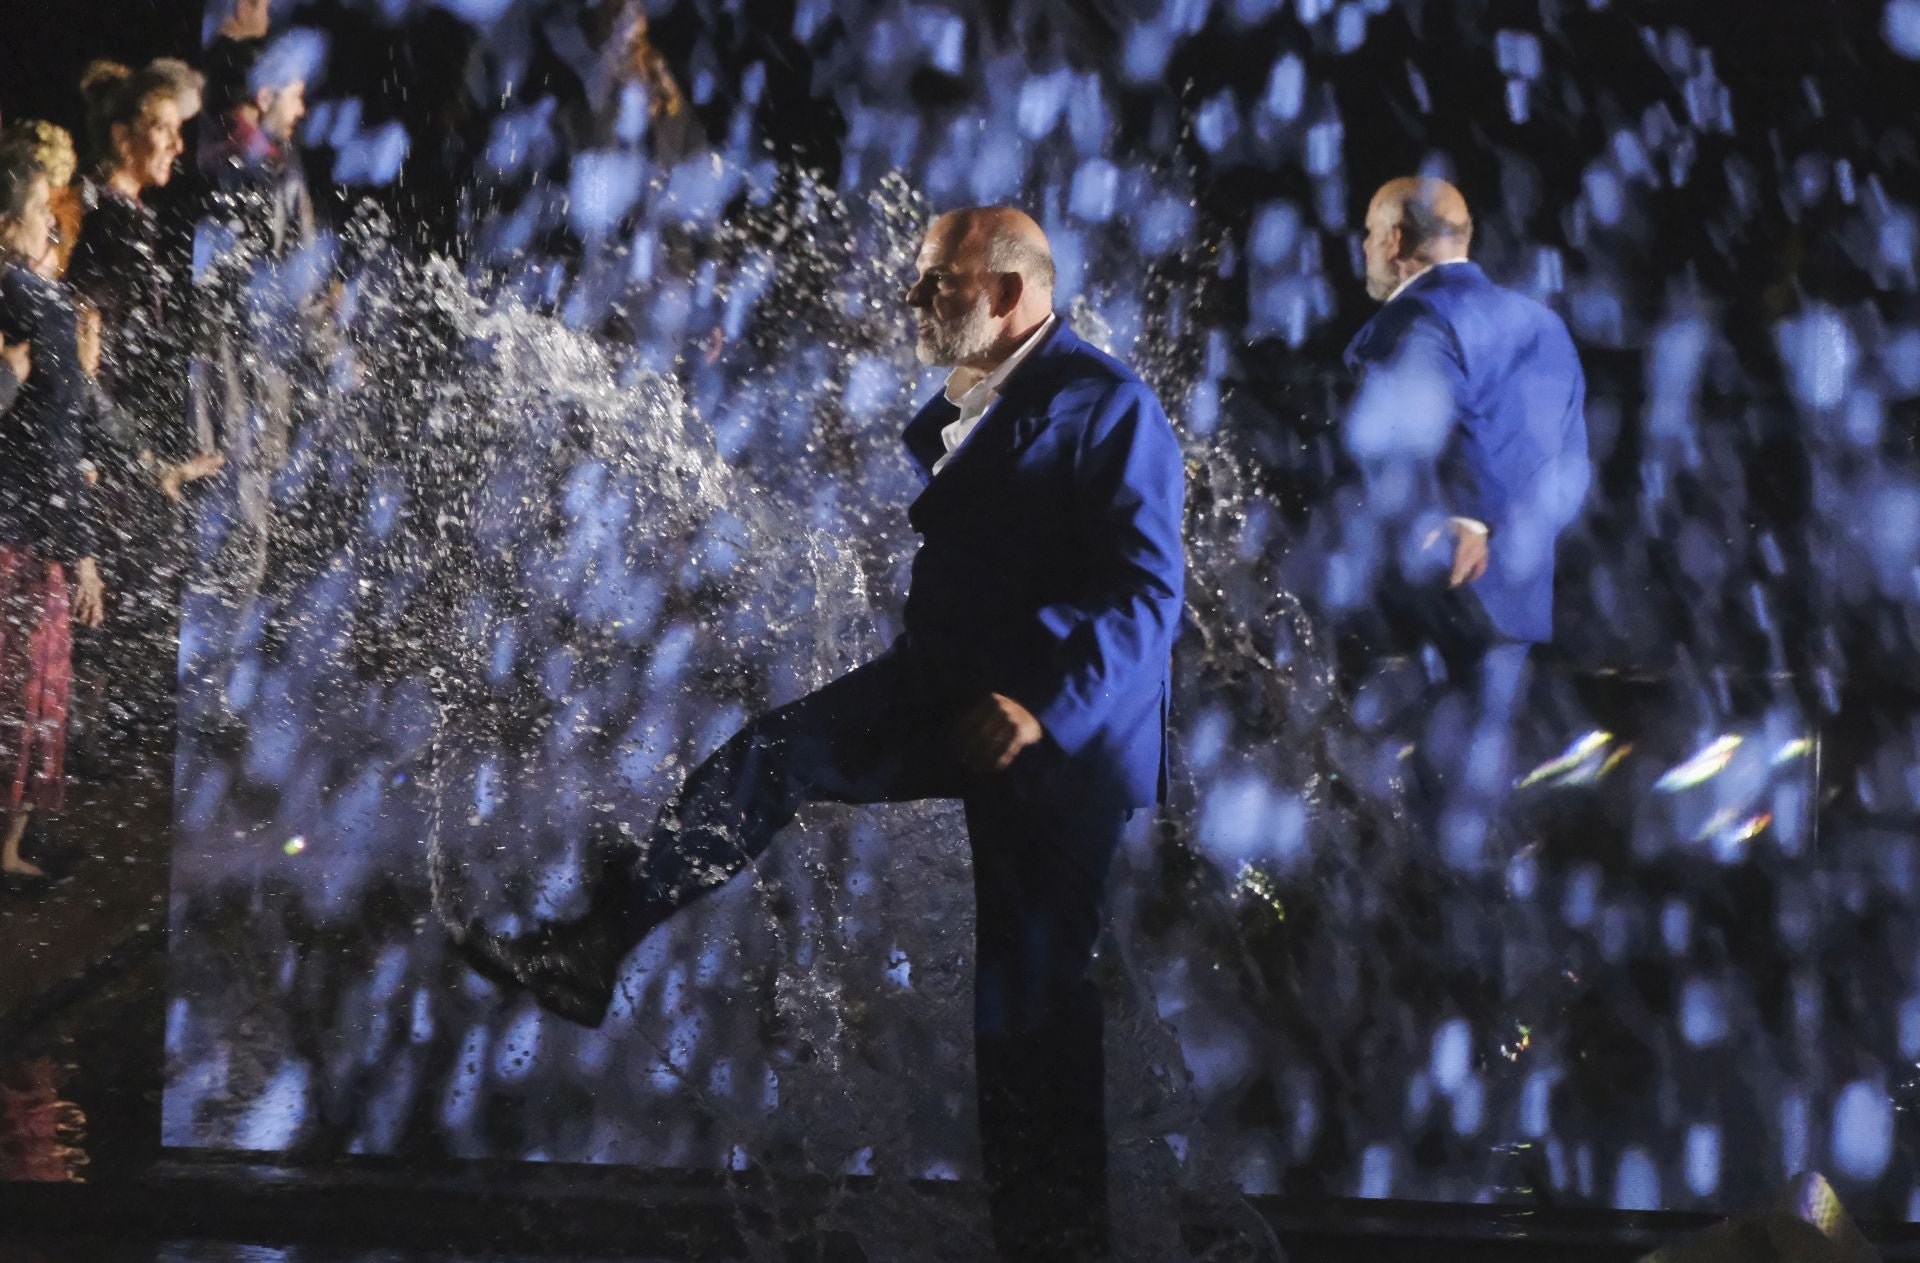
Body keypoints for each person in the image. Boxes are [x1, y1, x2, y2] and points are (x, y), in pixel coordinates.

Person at [460, 206, 1186, 1261]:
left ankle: (1059, 1243)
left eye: (939, 283)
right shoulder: (1003, 388)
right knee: (773, 755)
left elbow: (1145, 596)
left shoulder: (1105, 402)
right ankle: (596, 946)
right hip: (945, 690)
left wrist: (1044, 708)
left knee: (1029, 1011)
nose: (914, 301)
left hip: (1052, 737)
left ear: (1010, 292)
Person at [1343, 177, 1589, 829]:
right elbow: (1569, 469)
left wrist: (1466, 518)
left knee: (1399, 818)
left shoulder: (1413, 319)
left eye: (1370, 233)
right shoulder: (1545, 328)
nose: (1365, 247)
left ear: (1397, 242)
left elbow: (1418, 434)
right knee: (1483, 816)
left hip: (1425, 610)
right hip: (1515, 616)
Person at [0, 142, 108, 889]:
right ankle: (7, 850)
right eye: (43, 214)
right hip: (23, 537)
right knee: (26, 688)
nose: (54, 230)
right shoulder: (32, 298)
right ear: (7, 223)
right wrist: (81, 551)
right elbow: (56, 437)